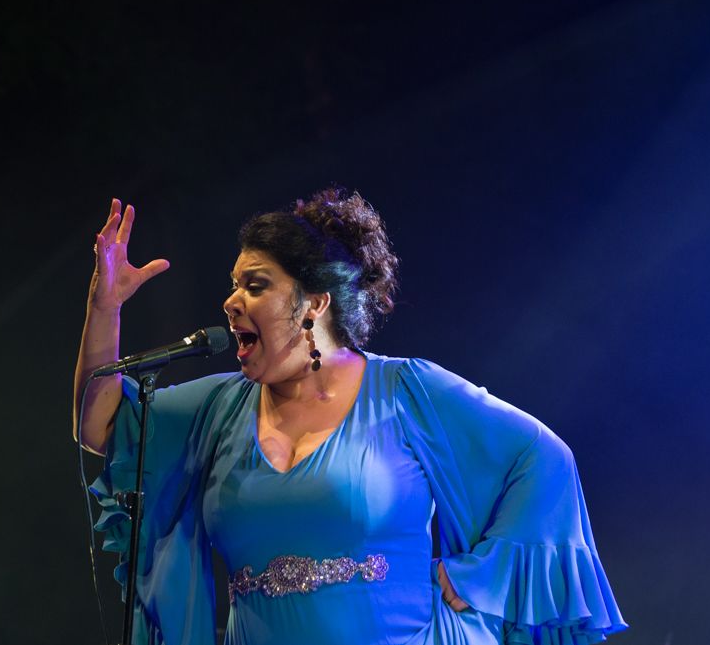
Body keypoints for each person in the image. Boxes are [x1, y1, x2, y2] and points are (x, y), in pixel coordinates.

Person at [74, 190, 627, 645]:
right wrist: (105, 307)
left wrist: (483, 574)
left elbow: (543, 459)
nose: (231, 300)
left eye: (255, 285)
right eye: (234, 285)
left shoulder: (406, 391)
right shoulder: (219, 409)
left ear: (315, 303)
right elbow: (99, 424)